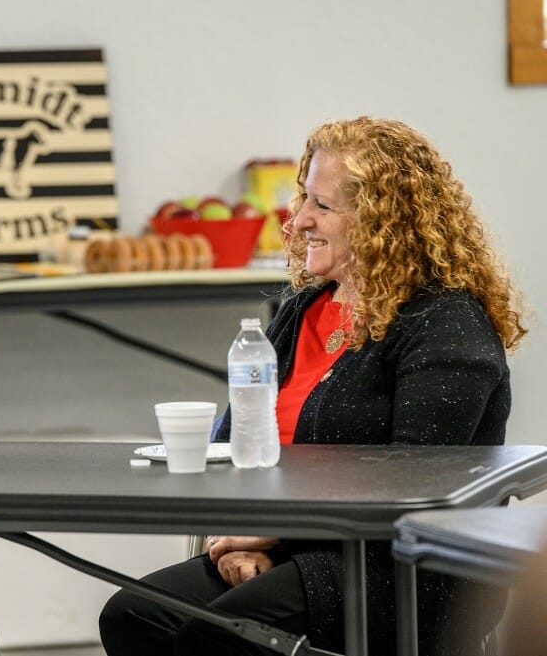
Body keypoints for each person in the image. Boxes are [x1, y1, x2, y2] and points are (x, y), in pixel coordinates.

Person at [99, 116, 527, 656]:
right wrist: (232, 537)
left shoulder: (445, 323)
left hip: (405, 567)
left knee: (214, 640)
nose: (298, 220)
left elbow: (414, 485)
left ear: (383, 220)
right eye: (304, 200)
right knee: (134, 615)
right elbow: (235, 442)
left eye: (322, 206)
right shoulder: (303, 310)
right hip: (290, 547)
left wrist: (270, 537)